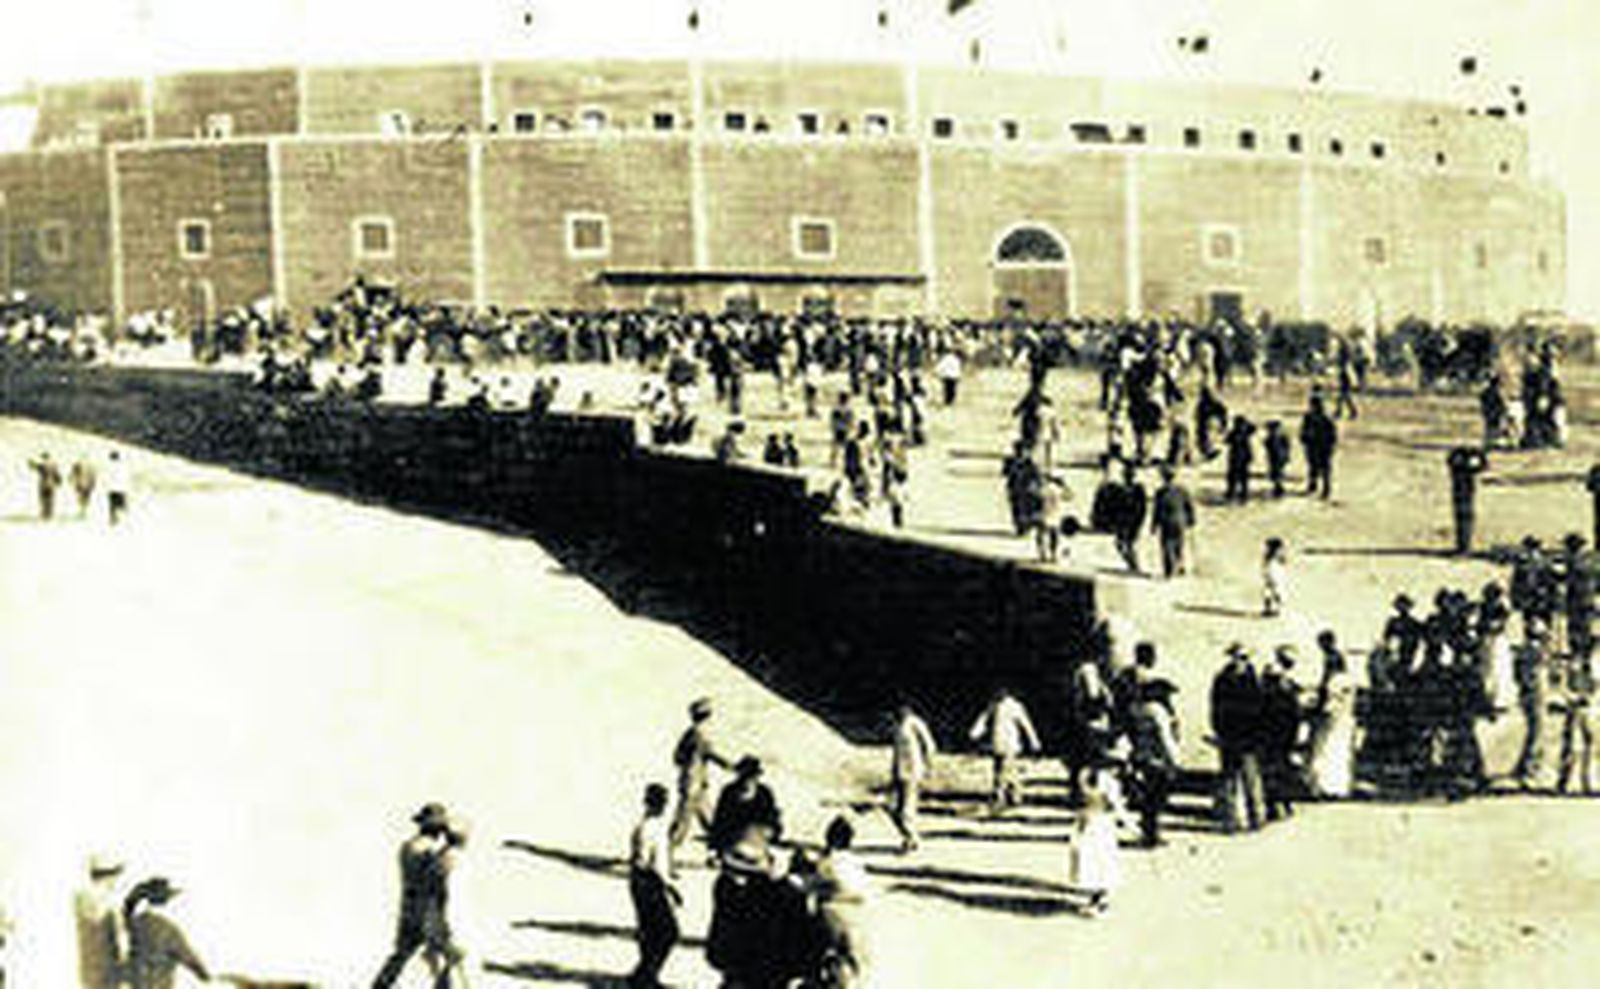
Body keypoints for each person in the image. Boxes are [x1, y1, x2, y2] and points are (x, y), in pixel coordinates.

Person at [372, 802, 459, 989]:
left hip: (413, 909)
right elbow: (433, 875)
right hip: (427, 911)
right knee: (442, 958)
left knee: (403, 956)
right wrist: (449, 850)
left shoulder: (411, 846)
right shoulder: (424, 848)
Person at [628, 784, 681, 989]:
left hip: (641, 880)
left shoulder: (648, 826)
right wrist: (670, 886)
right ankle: (645, 976)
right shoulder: (651, 828)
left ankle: (645, 974)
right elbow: (654, 863)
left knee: (652, 931)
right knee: (666, 932)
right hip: (649, 881)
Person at [1210, 643, 1265, 833]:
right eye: (1237, 657)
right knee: (1229, 778)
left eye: (1243, 657)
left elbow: (1260, 709)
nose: (1240, 661)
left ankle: (1256, 816)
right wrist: (1218, 730)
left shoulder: (1252, 679)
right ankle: (1230, 819)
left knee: (1250, 777)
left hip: (1248, 736)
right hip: (1230, 735)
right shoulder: (1222, 678)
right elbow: (1215, 707)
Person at [813, 816, 872, 987]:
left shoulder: (826, 861)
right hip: (858, 915)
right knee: (857, 959)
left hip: (833, 914)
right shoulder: (856, 862)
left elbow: (816, 884)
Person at [123, 878, 210, 989]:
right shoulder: (167, 929)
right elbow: (188, 956)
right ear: (166, 901)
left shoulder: (137, 922)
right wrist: (204, 975)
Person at [1127, 663, 1180, 848]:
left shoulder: (1136, 709)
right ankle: (1152, 834)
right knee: (1156, 799)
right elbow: (1164, 738)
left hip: (1142, 757)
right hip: (1158, 760)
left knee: (1148, 799)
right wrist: (1174, 761)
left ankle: (1149, 833)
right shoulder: (1158, 712)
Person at [669, 698, 730, 855]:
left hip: (693, 783)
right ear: (707, 716)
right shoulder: (701, 733)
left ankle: (719, 854)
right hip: (694, 784)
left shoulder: (690, 733)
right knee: (683, 824)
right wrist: (730, 765)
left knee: (709, 821)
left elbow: (677, 757)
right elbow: (711, 754)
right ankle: (665, 856)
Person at [968, 688, 1042, 813]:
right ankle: (1014, 795)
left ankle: (1000, 796)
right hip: (1000, 743)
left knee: (1002, 771)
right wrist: (975, 732)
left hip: (1009, 743)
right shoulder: (995, 705)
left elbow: (1025, 724)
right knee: (1006, 770)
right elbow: (984, 719)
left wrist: (1034, 740)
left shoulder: (1014, 706)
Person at [1067, 763, 1125, 915]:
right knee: (1102, 859)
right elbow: (1116, 805)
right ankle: (1100, 897)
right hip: (1102, 822)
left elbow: (1079, 800)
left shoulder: (1084, 775)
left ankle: (1097, 898)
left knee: (1091, 859)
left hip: (1089, 820)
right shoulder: (1110, 782)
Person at [1307, 633, 1358, 799]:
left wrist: (1316, 709)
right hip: (1345, 720)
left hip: (1332, 720)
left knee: (1326, 750)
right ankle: (1339, 787)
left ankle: (1325, 787)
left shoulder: (1332, 682)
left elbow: (1326, 702)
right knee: (1340, 752)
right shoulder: (1348, 681)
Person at [708, 756, 783, 859]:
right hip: (732, 844)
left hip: (757, 844)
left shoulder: (764, 794)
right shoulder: (729, 793)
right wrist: (715, 849)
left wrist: (770, 833)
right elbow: (720, 821)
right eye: (744, 776)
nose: (747, 780)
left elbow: (772, 822)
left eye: (751, 777)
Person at [1258, 646, 1303, 821]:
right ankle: (1279, 803)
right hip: (1277, 731)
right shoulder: (1280, 680)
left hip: (1277, 731)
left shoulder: (1279, 679)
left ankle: (1279, 803)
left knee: (1275, 768)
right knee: (1278, 767)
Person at [889, 703, 938, 853]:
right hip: (900, 772)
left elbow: (930, 746)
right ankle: (909, 836)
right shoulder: (897, 726)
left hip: (914, 771)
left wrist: (929, 766)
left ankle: (911, 840)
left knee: (907, 809)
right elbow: (896, 752)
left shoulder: (916, 724)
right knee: (893, 809)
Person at [75, 853, 126, 989]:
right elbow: (120, 941)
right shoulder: (112, 903)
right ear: (109, 876)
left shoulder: (79, 899)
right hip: (109, 973)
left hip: (88, 971)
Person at [1512, 619, 1550, 790]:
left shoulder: (1526, 650)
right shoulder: (1533, 651)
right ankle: (1530, 768)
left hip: (1532, 693)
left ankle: (1527, 766)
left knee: (1536, 730)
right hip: (1535, 693)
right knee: (1537, 731)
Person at [1554, 659, 1596, 795]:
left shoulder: (1591, 666)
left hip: (1590, 710)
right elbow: (1563, 688)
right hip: (1575, 710)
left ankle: (1587, 783)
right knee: (1573, 747)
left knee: (1590, 748)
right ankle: (1565, 782)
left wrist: (1591, 696)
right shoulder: (1571, 668)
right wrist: (1574, 697)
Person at [1150, 463, 1195, 579]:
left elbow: (1156, 510)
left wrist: (1153, 526)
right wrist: (1191, 520)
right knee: (1179, 544)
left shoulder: (1160, 492)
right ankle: (1180, 565)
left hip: (1166, 522)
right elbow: (1189, 506)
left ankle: (1169, 570)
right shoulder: (1182, 490)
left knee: (1167, 545)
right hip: (1180, 521)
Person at [1447, 447, 1488, 555]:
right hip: (1463, 488)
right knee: (1463, 513)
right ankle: (1463, 545)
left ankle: (1464, 545)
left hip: (1464, 488)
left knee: (1464, 513)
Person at [1110, 461, 1147, 574]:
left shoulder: (1137, 489)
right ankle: (1133, 564)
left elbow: (1142, 507)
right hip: (1126, 521)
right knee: (1122, 544)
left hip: (1130, 521)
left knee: (1126, 544)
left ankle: (1134, 565)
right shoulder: (1123, 489)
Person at [1300, 394, 1338, 499]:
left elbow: (1332, 434)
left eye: (1313, 405)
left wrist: (1330, 447)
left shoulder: (1325, 419)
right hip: (1312, 447)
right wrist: (1304, 439)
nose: (1312, 407)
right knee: (1312, 467)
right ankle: (1313, 484)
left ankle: (1326, 488)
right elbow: (1303, 430)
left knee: (1325, 469)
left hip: (1323, 447)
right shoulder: (1308, 417)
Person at [1223, 415, 1255, 503]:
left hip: (1242, 458)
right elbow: (1226, 440)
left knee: (1242, 477)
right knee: (1234, 476)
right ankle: (1233, 492)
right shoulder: (1235, 433)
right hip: (1236, 458)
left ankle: (1242, 493)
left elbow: (1253, 428)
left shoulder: (1244, 432)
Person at [28, 451, 63, 520]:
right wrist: (59, 482)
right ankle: (50, 514)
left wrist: (31, 463)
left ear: (44, 457)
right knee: (50, 500)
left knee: (43, 500)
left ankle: (44, 514)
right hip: (52, 484)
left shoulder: (43, 465)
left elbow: (37, 468)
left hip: (44, 484)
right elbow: (57, 475)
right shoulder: (54, 464)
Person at [1262, 537, 1289, 618]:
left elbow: (1282, 562)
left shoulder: (1270, 556)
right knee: (1271, 593)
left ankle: (1274, 610)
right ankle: (1272, 609)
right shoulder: (1272, 557)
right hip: (1273, 574)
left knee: (1272, 592)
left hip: (1274, 574)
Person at [1263, 420, 1290, 498]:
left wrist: (1286, 456)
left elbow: (1286, 447)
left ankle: (1279, 488)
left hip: (1278, 457)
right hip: (1274, 457)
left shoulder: (1280, 437)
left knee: (1277, 472)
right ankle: (1278, 487)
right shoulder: (1271, 438)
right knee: (1275, 473)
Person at [105, 451, 131, 526]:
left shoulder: (111, 466)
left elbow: (109, 477)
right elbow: (126, 477)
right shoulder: (123, 466)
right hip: (122, 488)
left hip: (113, 488)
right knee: (120, 505)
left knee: (112, 506)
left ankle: (113, 519)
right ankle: (117, 518)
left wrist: (107, 486)